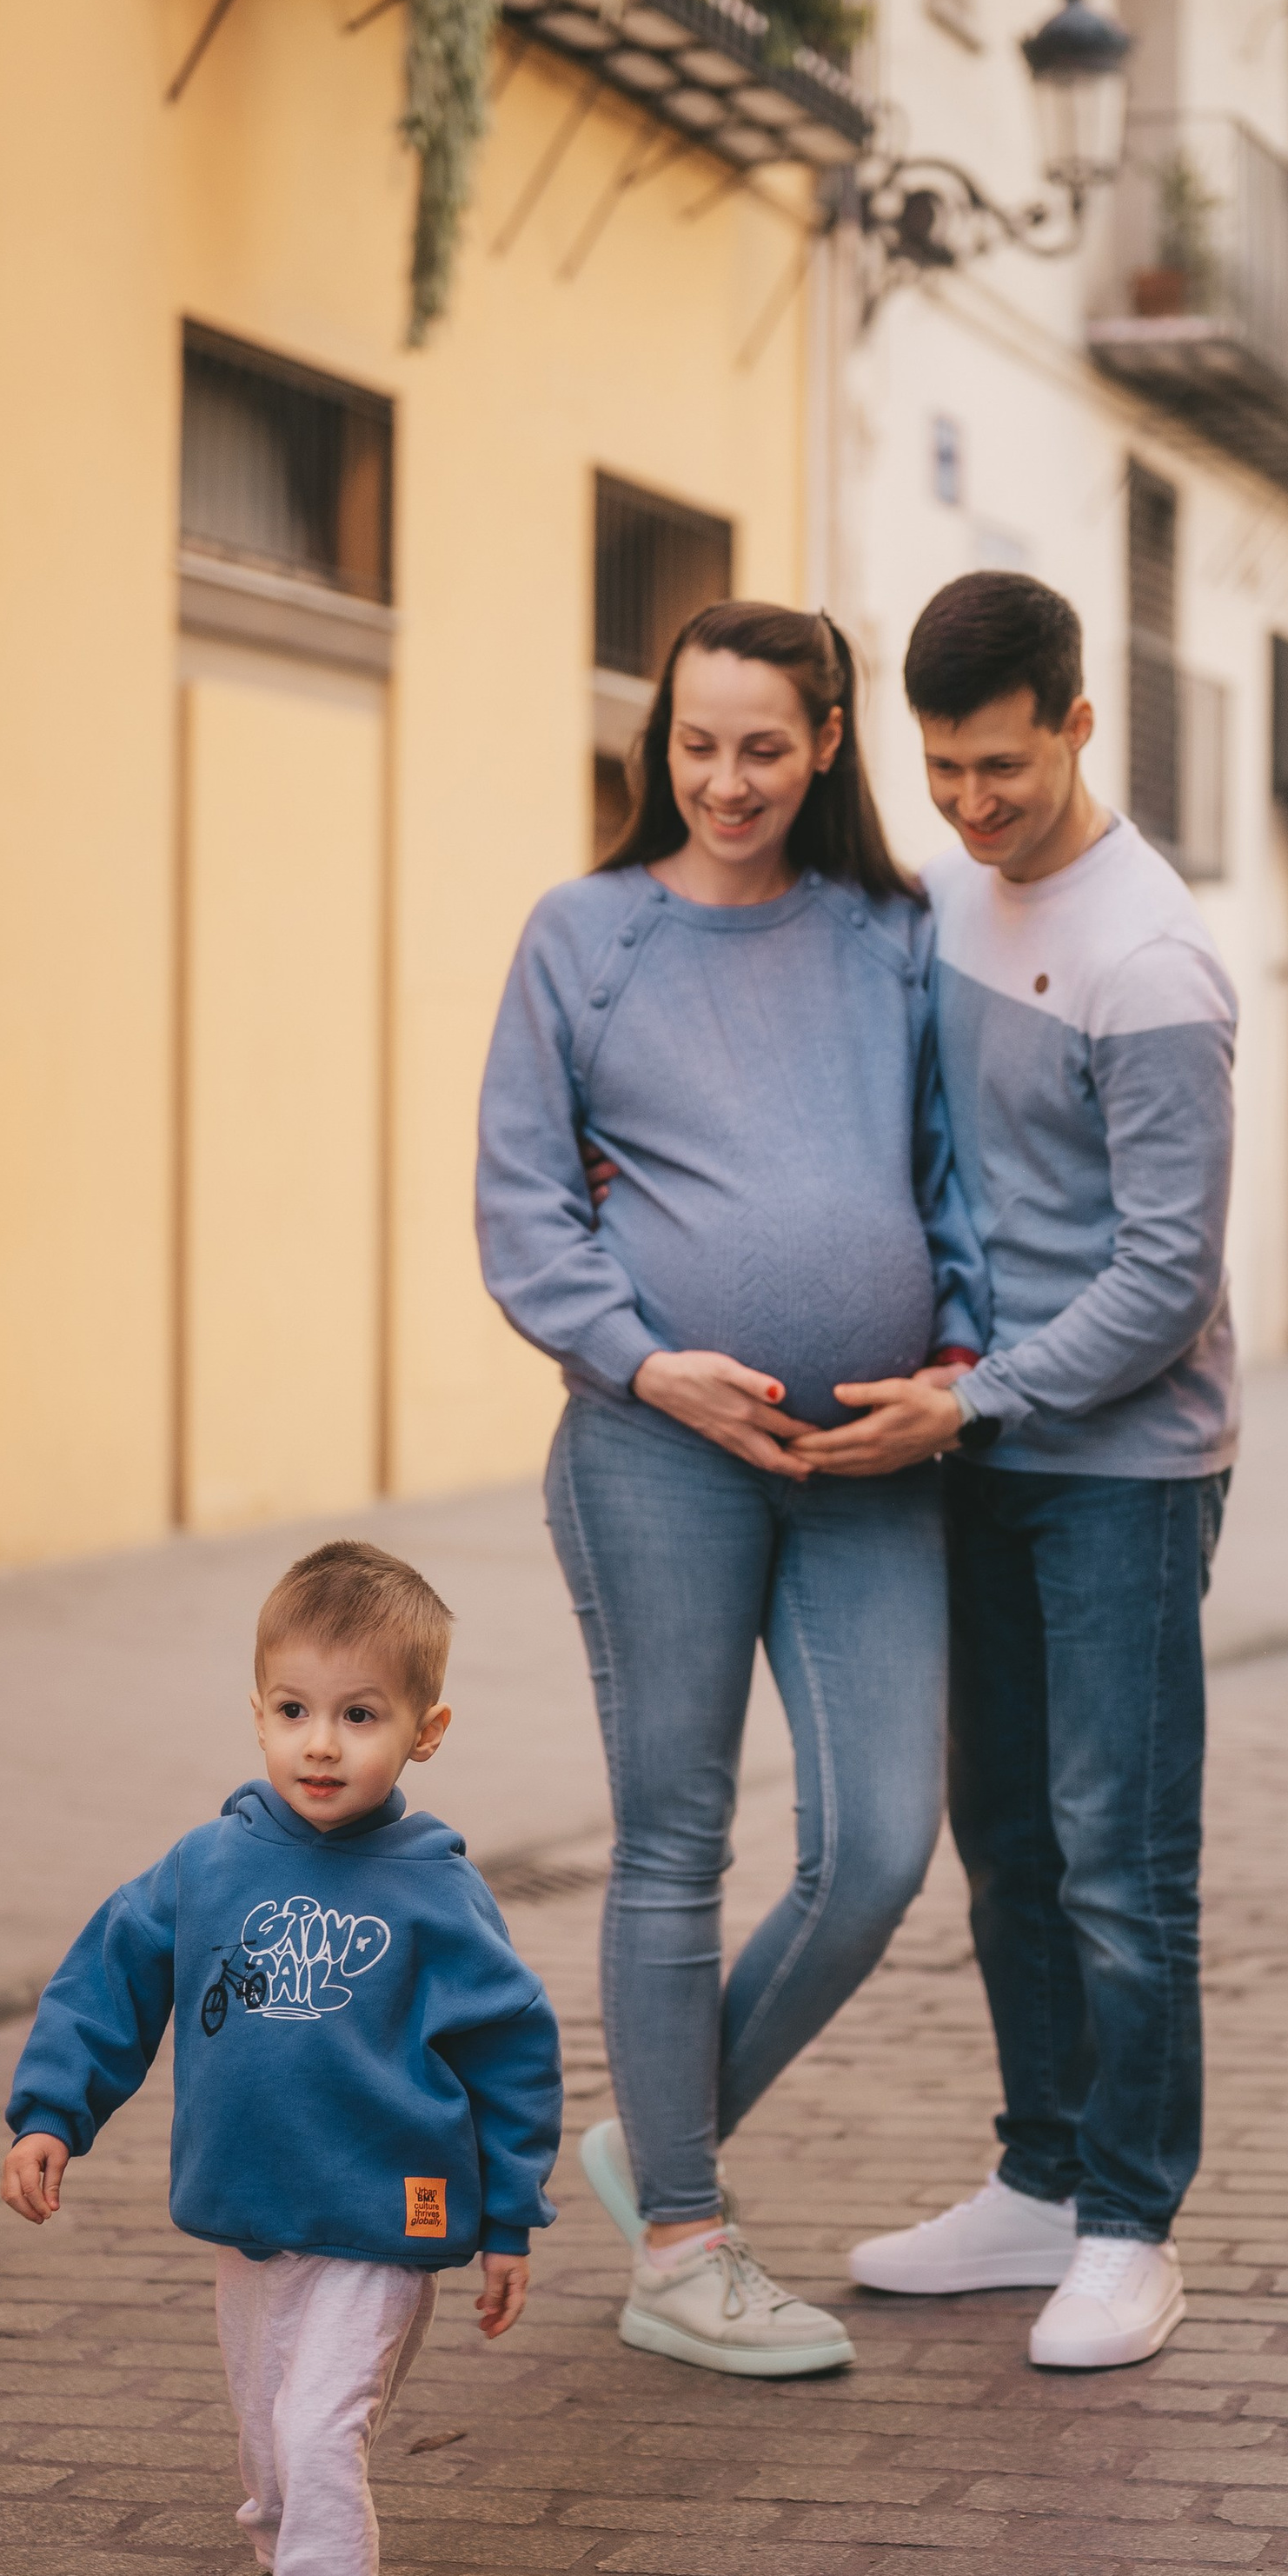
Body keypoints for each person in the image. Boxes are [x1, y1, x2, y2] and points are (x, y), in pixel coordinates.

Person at [475, 599, 986, 2380]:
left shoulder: (890, 939)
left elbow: (954, 1177)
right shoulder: (584, 934)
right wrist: (640, 1359)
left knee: (870, 1856)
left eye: (762, 745)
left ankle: (653, 2141)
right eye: (693, 744)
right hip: (653, 1455)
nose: (724, 779)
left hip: (863, 1464)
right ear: (656, 742)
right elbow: (523, 1204)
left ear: (827, 743)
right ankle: (679, 2244)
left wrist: (953, 1370)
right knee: (673, 1842)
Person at [784, 573, 1238, 2373]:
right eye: (940, 772)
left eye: (998, 768)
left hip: (1118, 1467)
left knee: (1121, 1861)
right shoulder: (959, 903)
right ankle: (1040, 2179)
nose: (969, 806)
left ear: (1075, 721)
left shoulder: (1151, 961)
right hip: (976, 1443)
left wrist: (969, 1406)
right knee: (1006, 1845)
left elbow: (1164, 1278)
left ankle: (1131, 2225)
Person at [0, 1541, 561, 2576]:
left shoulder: (436, 1892)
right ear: (256, 1712)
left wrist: (510, 2215)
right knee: (269, 2437)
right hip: (252, 2220)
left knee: (319, 2430)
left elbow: (514, 2052)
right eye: (296, 1711)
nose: (323, 1745)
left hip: (383, 2219)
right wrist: (52, 2115)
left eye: (361, 1716)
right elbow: (107, 1985)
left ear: (425, 1732)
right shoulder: (206, 1867)